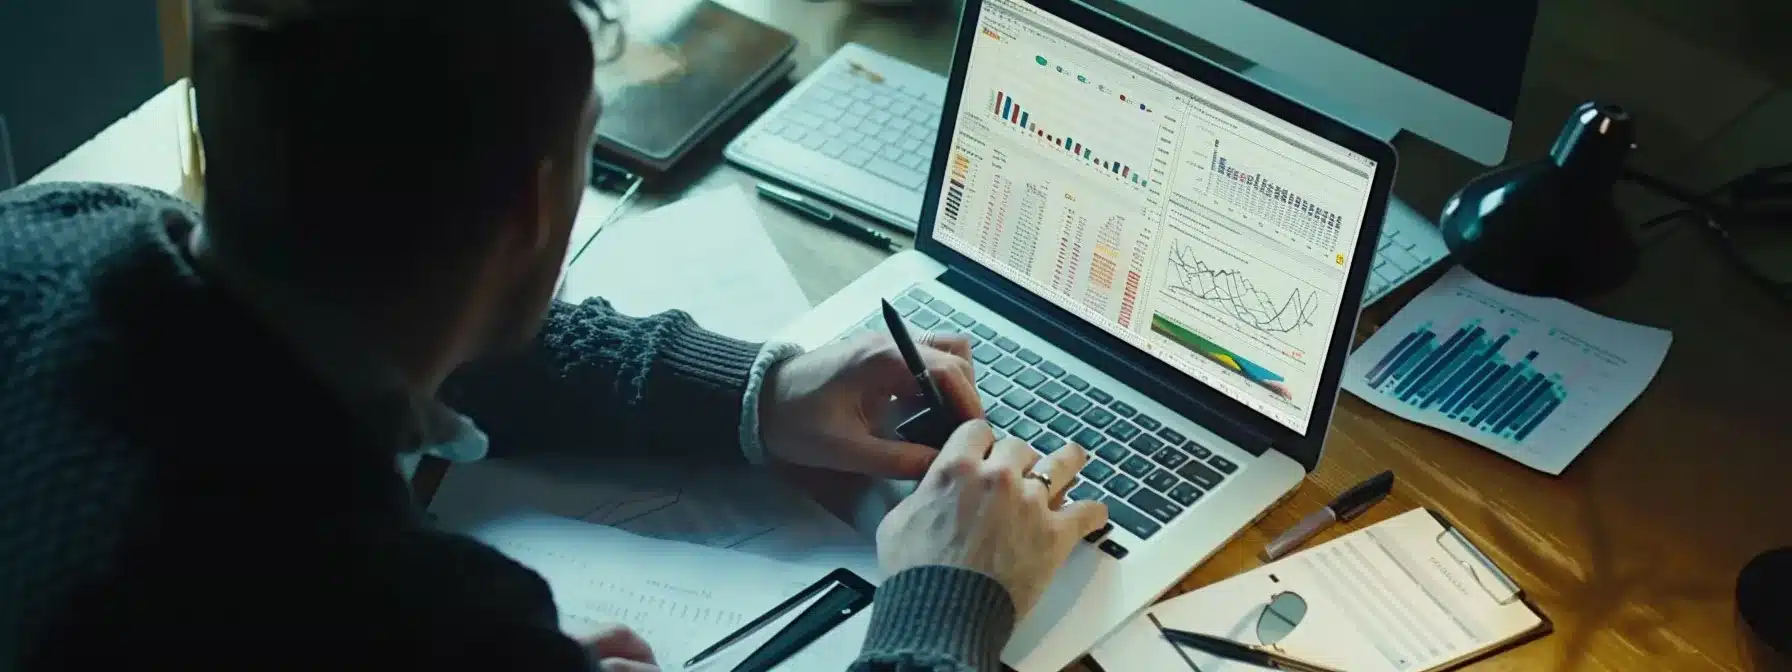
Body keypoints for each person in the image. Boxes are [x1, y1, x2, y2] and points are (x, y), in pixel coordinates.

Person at [0, 0, 1110, 670]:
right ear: (538, 206)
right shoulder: (403, 616)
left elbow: (413, 322)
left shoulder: (59, 232)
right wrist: (951, 590)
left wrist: (755, 393)